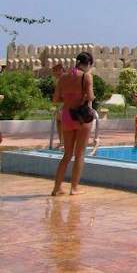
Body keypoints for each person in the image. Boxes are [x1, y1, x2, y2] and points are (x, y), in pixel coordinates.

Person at [51, 52, 95, 196]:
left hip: (67, 116)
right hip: (81, 117)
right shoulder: (86, 76)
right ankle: (74, 188)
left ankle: (57, 188)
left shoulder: (63, 77)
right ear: (88, 64)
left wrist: (69, 98)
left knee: (67, 154)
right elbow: (90, 97)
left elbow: (55, 99)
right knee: (79, 154)